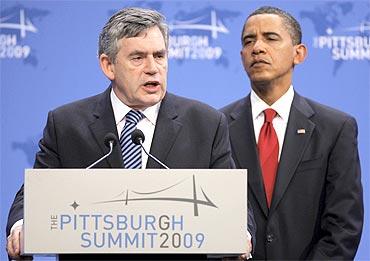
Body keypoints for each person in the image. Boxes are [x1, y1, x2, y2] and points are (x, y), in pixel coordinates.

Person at [6, 7, 255, 261]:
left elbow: (233, 202)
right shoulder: (66, 124)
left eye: (159, 56)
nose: (153, 68)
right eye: (138, 58)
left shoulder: (206, 123)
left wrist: (241, 233)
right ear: (108, 65)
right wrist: (21, 226)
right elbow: (32, 196)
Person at [221, 6, 363, 260]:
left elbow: (343, 228)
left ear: (299, 53)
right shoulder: (216, 126)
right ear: (242, 54)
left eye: (271, 38)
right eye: (248, 41)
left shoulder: (336, 128)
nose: (257, 48)